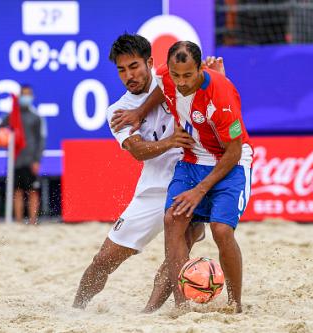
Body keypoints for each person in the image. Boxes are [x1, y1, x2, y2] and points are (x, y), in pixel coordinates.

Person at [72, 34, 225, 313]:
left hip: (190, 177)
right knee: (105, 259)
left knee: (180, 246)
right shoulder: (117, 110)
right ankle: (76, 307)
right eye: (121, 70)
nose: (128, 75)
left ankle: (151, 313)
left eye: (134, 66)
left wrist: (213, 76)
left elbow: (205, 90)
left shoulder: (174, 77)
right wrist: (170, 141)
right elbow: (138, 151)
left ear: (150, 63)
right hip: (152, 189)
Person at [114, 41, 252, 313]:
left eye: (188, 76)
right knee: (173, 219)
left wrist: (200, 191)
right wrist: (140, 113)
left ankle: (236, 304)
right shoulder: (168, 75)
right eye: (176, 75)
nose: (181, 82)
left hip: (229, 161)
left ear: (200, 68)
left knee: (222, 230)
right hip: (192, 158)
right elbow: (162, 88)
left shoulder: (222, 96)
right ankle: (182, 304)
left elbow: (234, 153)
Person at [0, 84, 46, 225]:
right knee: (17, 191)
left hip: (30, 159)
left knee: (33, 191)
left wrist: (37, 160)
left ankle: (33, 221)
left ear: (31, 97)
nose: (26, 97)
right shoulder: (13, 116)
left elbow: (41, 140)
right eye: (23, 94)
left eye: (28, 94)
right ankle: (19, 221)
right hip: (16, 159)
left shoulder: (36, 117)